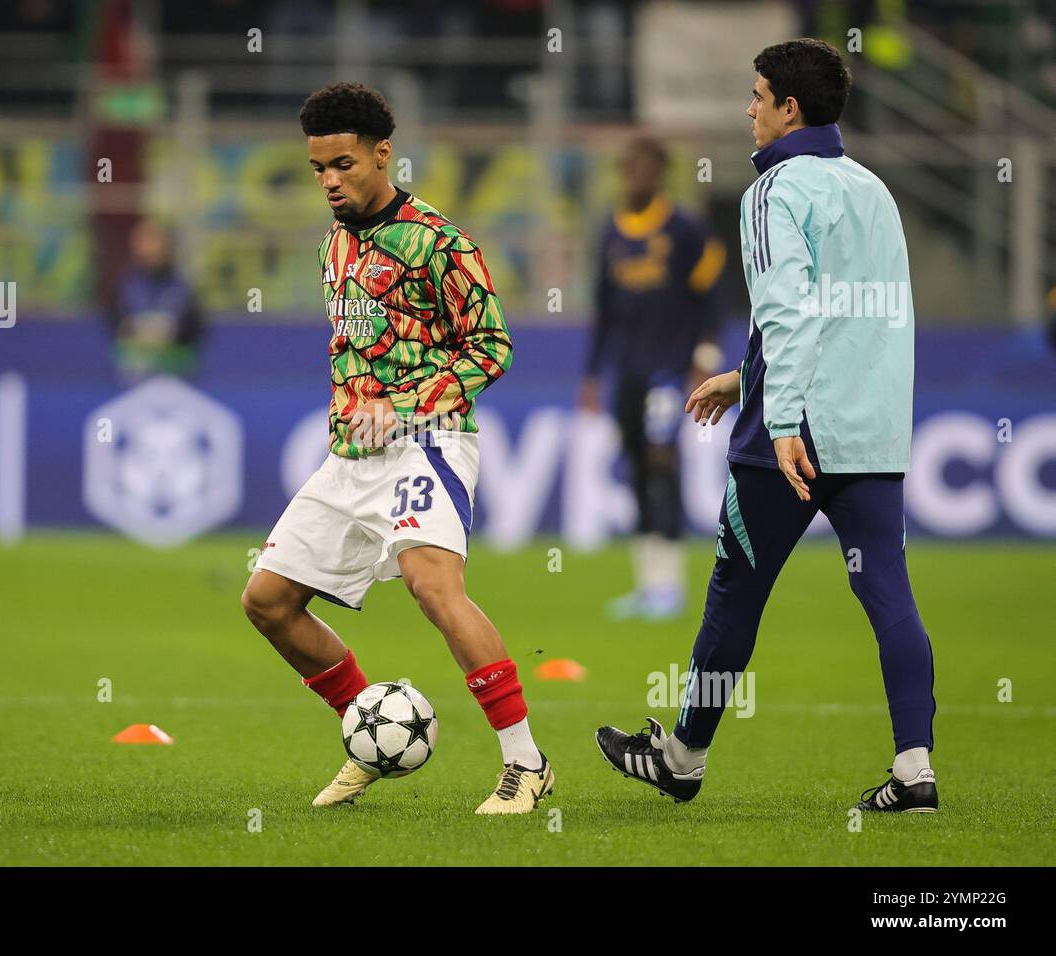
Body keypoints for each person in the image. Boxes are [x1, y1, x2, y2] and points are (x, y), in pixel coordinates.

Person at [596, 39, 939, 814]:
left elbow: (788, 311)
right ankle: (915, 769)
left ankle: (683, 757)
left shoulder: (774, 191)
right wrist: (745, 375)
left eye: (757, 95)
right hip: (872, 431)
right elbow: (855, 322)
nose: (748, 109)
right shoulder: (873, 191)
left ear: (790, 108)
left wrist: (777, 415)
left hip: (790, 439)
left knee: (734, 598)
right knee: (888, 592)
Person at [240, 82, 554, 814]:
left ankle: (526, 763)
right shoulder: (333, 246)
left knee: (431, 585)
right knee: (268, 602)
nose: (329, 181)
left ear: (384, 154)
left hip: (428, 440)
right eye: (318, 168)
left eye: (343, 164)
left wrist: (404, 405)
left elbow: (493, 346)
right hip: (352, 454)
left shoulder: (439, 241)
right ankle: (366, 733)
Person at [578, 134, 726, 620]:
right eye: (631, 167)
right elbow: (603, 309)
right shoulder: (613, 232)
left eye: (647, 168)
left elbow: (710, 300)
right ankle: (648, 583)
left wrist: (704, 358)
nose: (638, 176)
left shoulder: (685, 230)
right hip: (628, 371)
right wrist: (592, 374)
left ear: (660, 173)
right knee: (639, 465)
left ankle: (671, 585)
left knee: (664, 461)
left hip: (671, 368)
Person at [108, 219, 203, 380]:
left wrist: (170, 332)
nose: (148, 247)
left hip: (176, 373)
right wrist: (136, 329)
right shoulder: (125, 286)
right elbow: (115, 324)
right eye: (143, 240)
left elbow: (196, 330)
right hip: (132, 373)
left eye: (154, 240)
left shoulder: (183, 287)